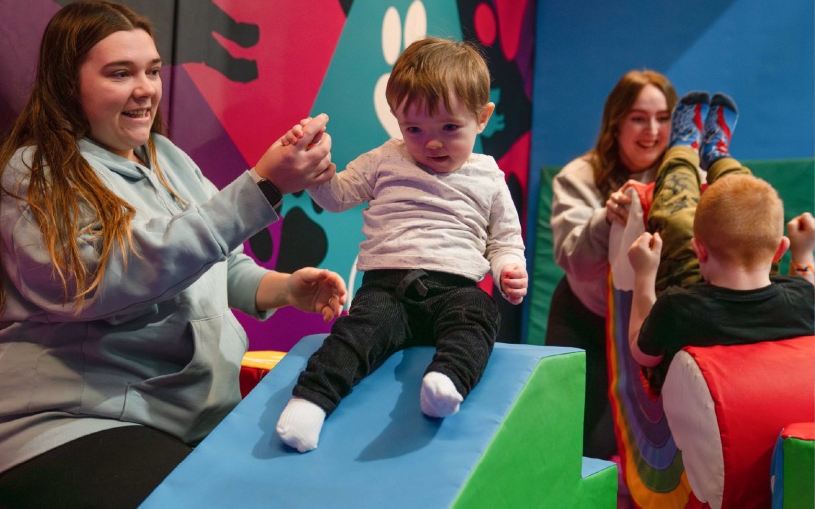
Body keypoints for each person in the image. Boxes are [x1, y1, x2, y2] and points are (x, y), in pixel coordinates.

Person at [0, 0, 347, 508]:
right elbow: (109, 277)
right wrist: (263, 185)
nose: (145, 89)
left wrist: (285, 287)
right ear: (67, 85)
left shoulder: (168, 160)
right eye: (121, 73)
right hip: (64, 427)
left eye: (152, 71)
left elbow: (217, 263)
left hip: (175, 423)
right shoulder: (38, 171)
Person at [273, 37, 528, 453]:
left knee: (479, 316)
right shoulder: (384, 159)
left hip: (455, 290)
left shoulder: (488, 177)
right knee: (355, 335)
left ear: (482, 118)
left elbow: (504, 240)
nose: (432, 143)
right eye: (414, 129)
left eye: (449, 128)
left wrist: (507, 269)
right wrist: (316, 171)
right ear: (396, 120)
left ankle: (445, 381)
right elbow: (337, 196)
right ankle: (310, 402)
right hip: (386, 288)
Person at [627, 91, 815, 394]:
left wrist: (644, 274)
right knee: (748, 202)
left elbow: (642, 353)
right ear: (782, 249)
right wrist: (805, 252)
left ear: (698, 249)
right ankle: (715, 155)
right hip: (754, 304)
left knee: (676, 220)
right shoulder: (802, 300)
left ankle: (684, 149)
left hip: (697, 315)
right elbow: (809, 291)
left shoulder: (677, 307)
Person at [547, 70, 679, 459]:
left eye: (664, 117)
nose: (652, 130)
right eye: (639, 117)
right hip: (585, 317)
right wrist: (604, 219)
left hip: (650, 326)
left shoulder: (687, 177)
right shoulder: (580, 176)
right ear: (616, 122)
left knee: (647, 440)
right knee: (577, 436)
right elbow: (575, 261)